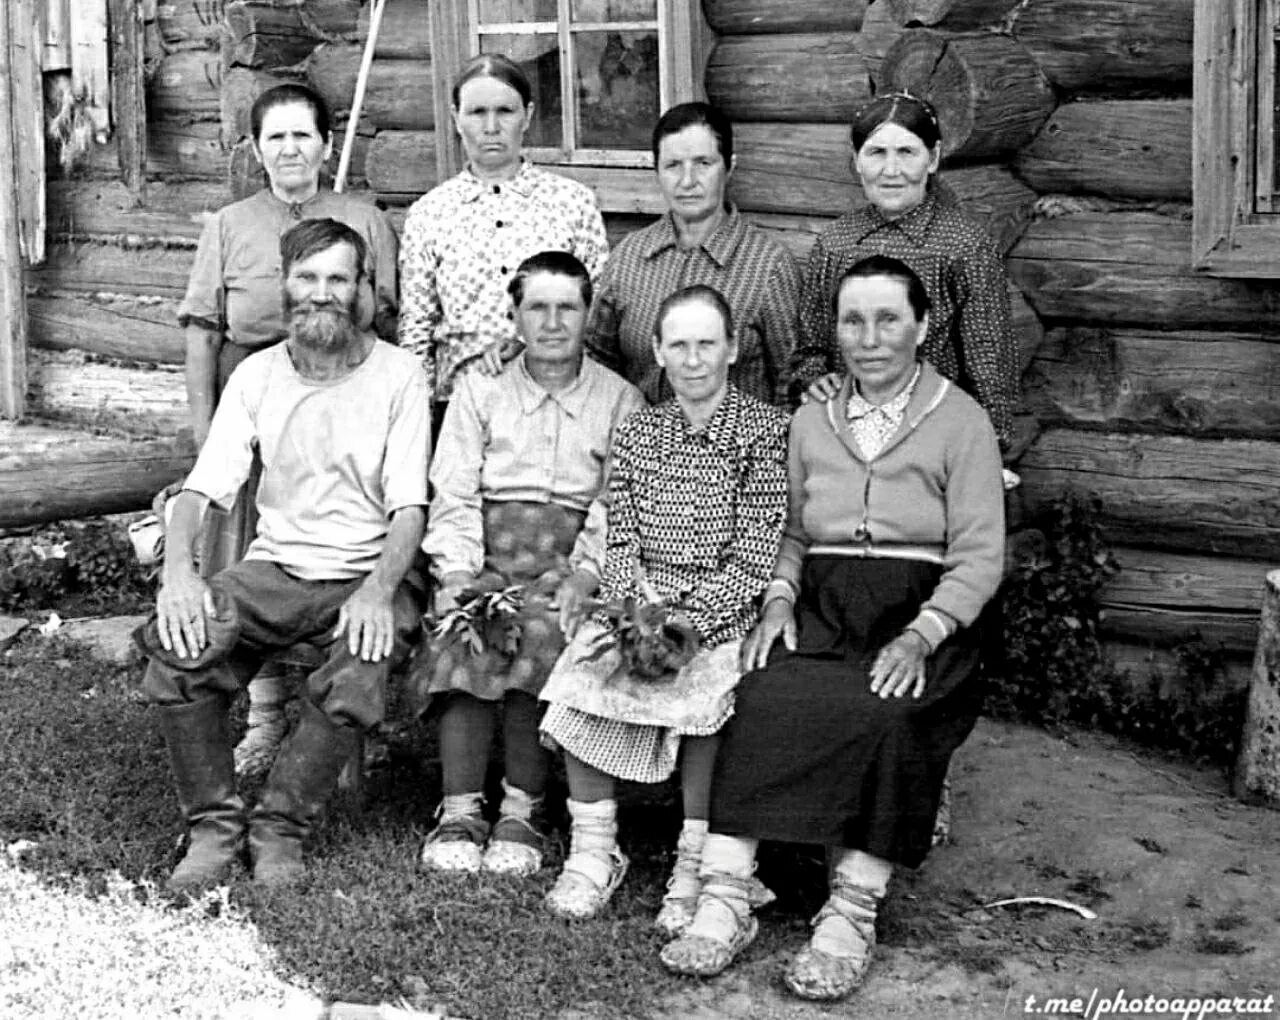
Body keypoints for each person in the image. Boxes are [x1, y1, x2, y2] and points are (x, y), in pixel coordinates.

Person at [660, 256, 1005, 1001]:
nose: (870, 337)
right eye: (854, 320)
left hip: (919, 612)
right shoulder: (813, 417)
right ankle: (726, 898)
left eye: (888, 319)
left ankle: (850, 912)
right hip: (822, 603)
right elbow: (791, 530)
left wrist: (923, 634)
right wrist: (780, 599)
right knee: (758, 695)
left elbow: (980, 555)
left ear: (922, 326)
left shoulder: (961, 419)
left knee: (887, 713)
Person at [140, 219, 429, 891]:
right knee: (179, 648)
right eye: (308, 277)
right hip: (274, 570)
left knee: (359, 664)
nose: (322, 293)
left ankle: (280, 828)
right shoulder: (255, 375)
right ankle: (213, 829)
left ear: (362, 288)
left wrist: (379, 589)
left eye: (338, 278)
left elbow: (409, 508)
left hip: (364, 569)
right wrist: (179, 575)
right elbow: (201, 491)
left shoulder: (399, 374)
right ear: (285, 285)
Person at [539, 285, 789, 928]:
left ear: (732, 349)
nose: (694, 359)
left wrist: (688, 624)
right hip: (641, 600)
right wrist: (630, 616)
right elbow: (619, 535)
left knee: (709, 705)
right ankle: (595, 851)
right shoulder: (640, 430)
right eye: (679, 345)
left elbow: (758, 548)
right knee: (580, 679)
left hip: (720, 611)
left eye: (708, 343)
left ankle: (695, 863)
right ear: (657, 351)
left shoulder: (765, 432)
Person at [178, 83, 399, 776]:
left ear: (327, 143)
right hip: (254, 414)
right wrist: (203, 436)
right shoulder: (230, 224)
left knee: (328, 566)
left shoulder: (363, 220)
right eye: (275, 137)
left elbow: (384, 322)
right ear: (256, 149)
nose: (290, 149)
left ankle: (332, 723)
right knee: (252, 570)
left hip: (338, 413)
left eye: (302, 135)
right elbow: (203, 338)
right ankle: (264, 718)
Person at [415, 251, 644, 876]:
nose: (551, 322)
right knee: (473, 625)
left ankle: (523, 808)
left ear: (588, 314)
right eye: (536, 307)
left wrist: (586, 573)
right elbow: (455, 488)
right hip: (490, 554)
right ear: (514, 315)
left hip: (564, 564)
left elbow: (616, 503)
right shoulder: (481, 389)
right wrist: (457, 570)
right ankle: (459, 807)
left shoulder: (619, 399)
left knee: (542, 631)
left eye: (566, 307)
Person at [790, 91, 1018, 451]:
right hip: (847, 442)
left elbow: (988, 362)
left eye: (907, 153)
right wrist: (812, 381)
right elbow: (811, 347)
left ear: (933, 158)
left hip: (936, 441)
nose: (891, 170)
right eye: (877, 153)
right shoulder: (835, 243)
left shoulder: (962, 245)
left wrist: (988, 452)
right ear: (857, 161)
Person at [399, 53, 609, 429]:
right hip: (459, 407)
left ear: (527, 116)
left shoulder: (572, 203)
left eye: (505, 112)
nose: (491, 126)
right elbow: (416, 332)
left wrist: (528, 343)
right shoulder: (429, 214)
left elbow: (598, 313)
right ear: (456, 118)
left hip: (556, 399)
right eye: (477, 112)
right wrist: (420, 425)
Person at [587, 101, 800, 407]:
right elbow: (598, 364)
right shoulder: (629, 257)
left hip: (738, 450)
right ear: (657, 170)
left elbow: (790, 384)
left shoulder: (768, 266)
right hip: (640, 444)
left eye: (703, 163)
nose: (687, 181)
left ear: (729, 166)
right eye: (673, 165)